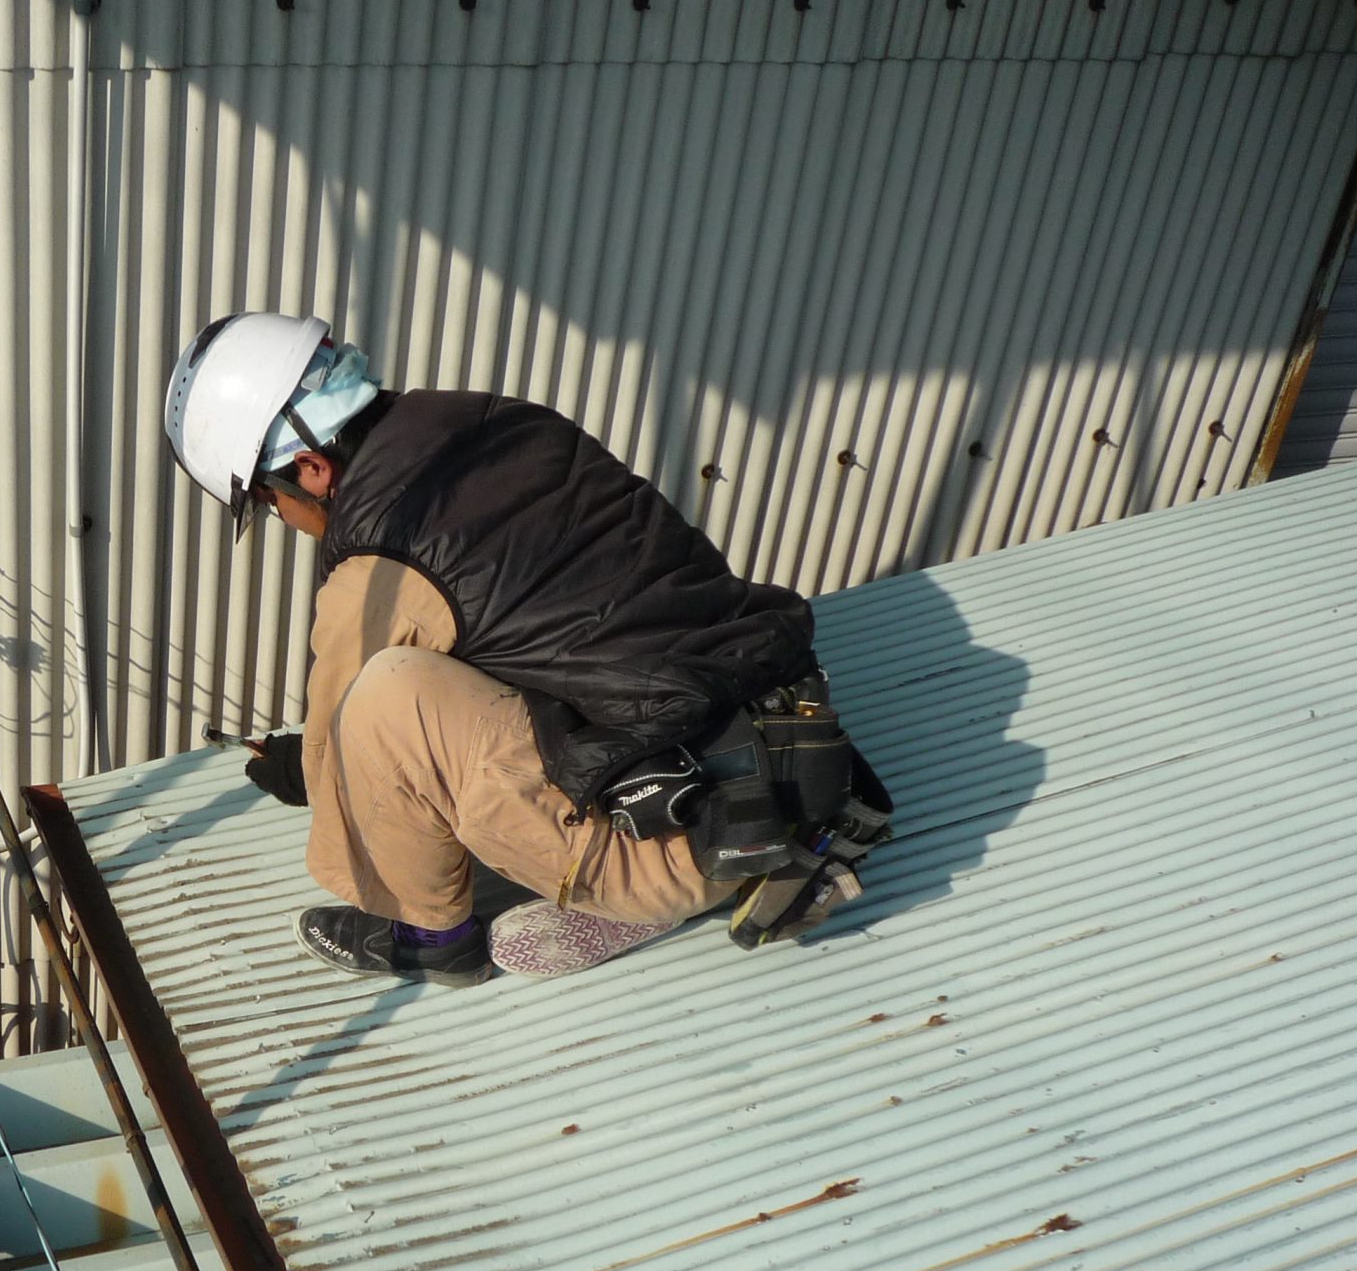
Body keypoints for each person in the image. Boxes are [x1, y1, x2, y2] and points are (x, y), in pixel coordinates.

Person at [163, 312, 854, 987]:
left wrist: (302, 770)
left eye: (264, 500)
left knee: (385, 694)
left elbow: (338, 742)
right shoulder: (503, 420)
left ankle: (431, 937)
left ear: (310, 467)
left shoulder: (379, 567)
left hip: (681, 843)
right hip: (779, 749)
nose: (278, 518)